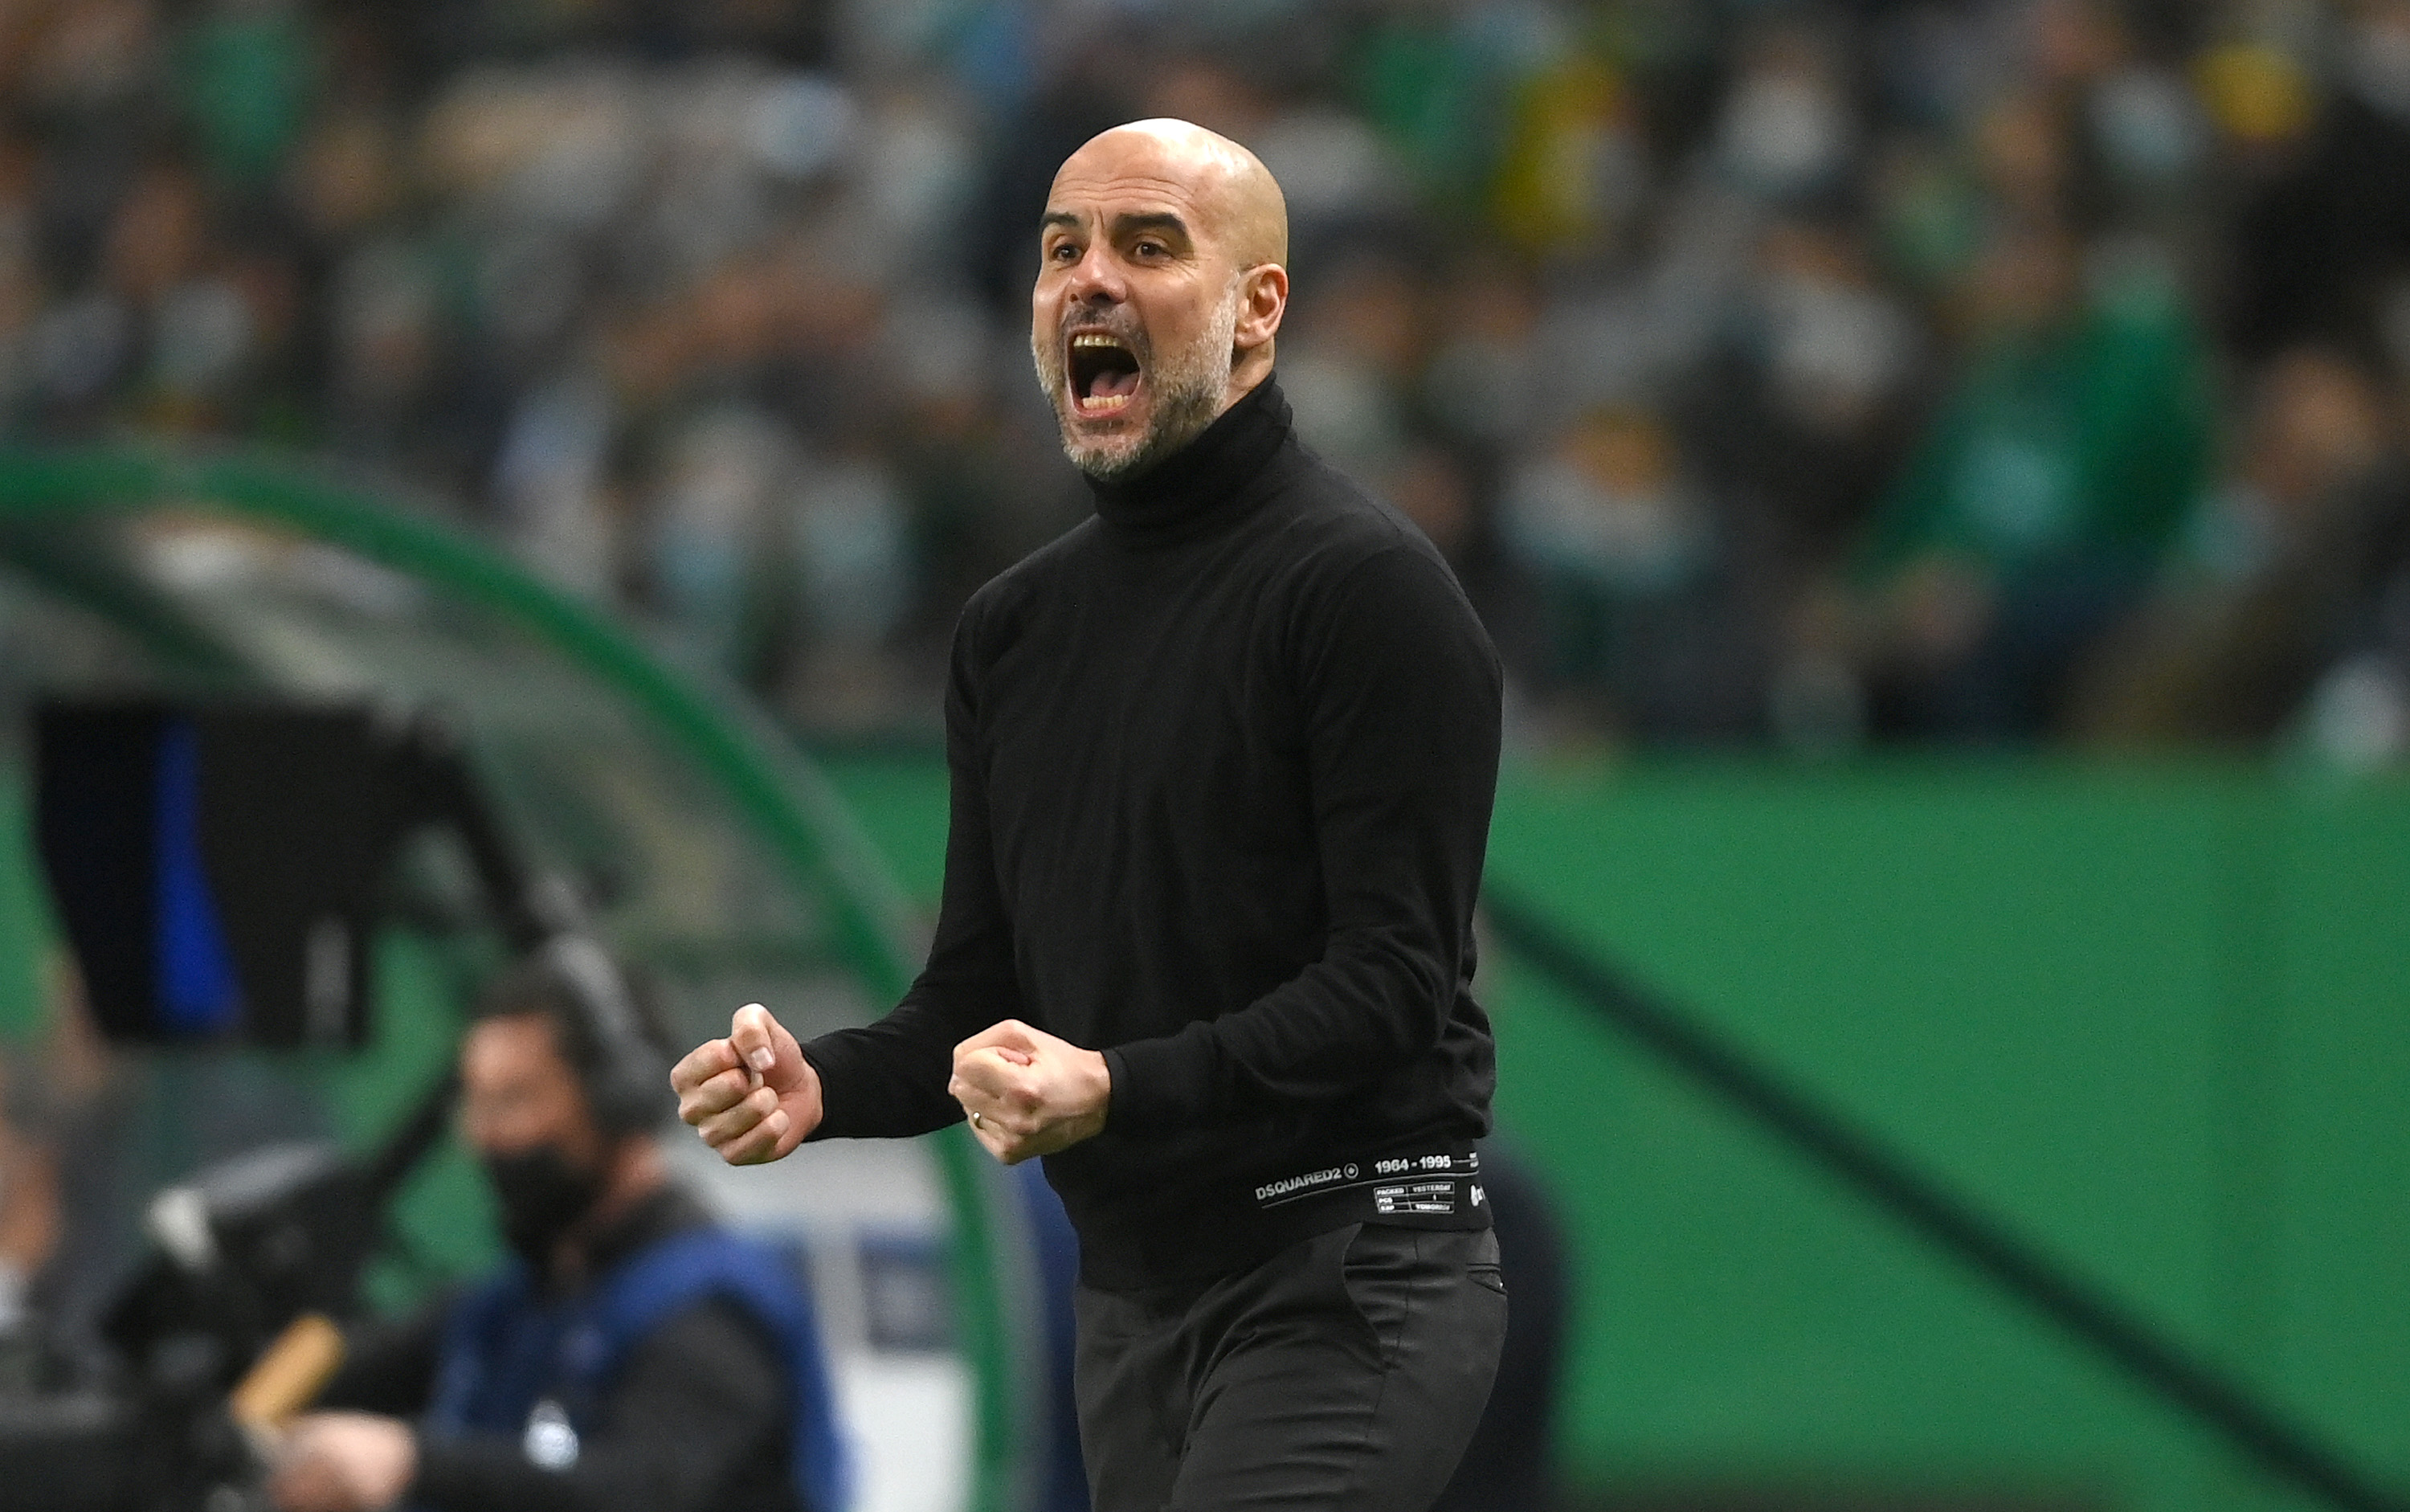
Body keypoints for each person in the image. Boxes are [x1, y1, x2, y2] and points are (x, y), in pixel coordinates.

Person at [674, 118, 1509, 1512]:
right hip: (1132, 1302)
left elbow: (1395, 988)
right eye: (1063, 250)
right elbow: (977, 997)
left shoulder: (1367, 591)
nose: (1090, 280)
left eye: (1149, 244)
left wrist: (1113, 1085)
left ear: (1260, 308)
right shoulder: (1013, 631)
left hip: (1354, 1267)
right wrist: (825, 1085)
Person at [268, 945, 848, 1512]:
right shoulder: (511, 1302)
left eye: (513, 1101)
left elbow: (639, 1489)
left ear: (612, 1101)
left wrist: (412, 1461)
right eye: (477, 1104)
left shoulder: (712, 1311)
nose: (481, 1137)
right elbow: (339, 1378)